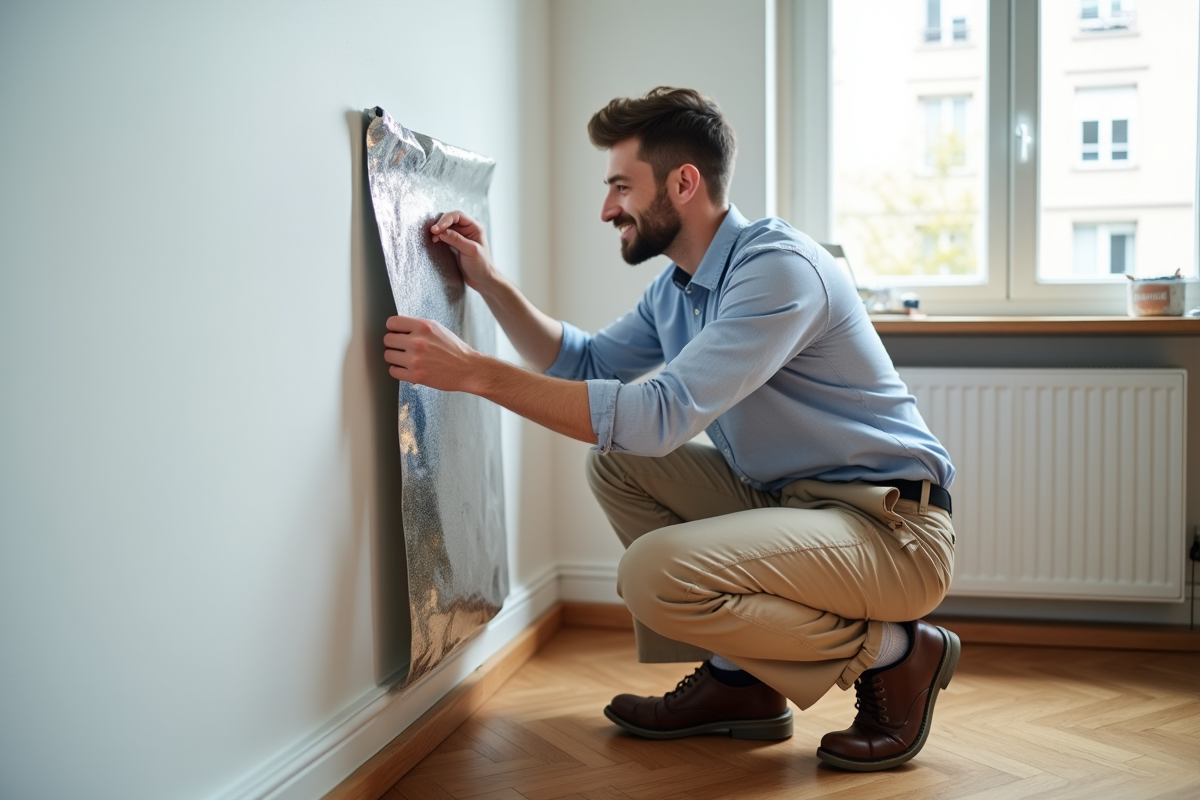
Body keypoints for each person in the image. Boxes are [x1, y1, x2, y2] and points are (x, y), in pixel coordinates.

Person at [382, 86, 959, 772]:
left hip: (889, 531)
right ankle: (742, 681)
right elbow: (585, 362)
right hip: (792, 506)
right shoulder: (679, 287)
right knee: (616, 464)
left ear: (684, 183)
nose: (606, 209)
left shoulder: (778, 270)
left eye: (621, 186)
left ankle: (899, 652)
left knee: (651, 574)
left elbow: (657, 417)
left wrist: (476, 373)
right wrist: (488, 282)